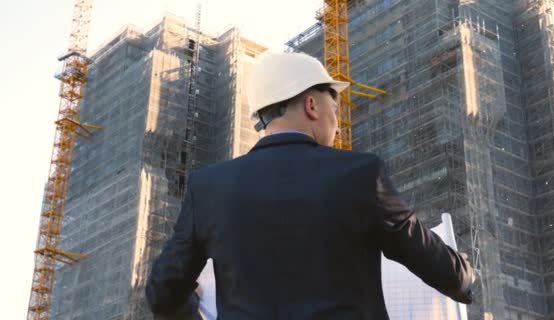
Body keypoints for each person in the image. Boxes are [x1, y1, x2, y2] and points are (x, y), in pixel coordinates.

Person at [145, 52, 473, 320]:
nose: (338, 124)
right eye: (335, 108)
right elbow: (443, 268)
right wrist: (465, 271)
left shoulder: (208, 187)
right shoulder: (360, 173)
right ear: (311, 106)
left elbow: (162, 293)